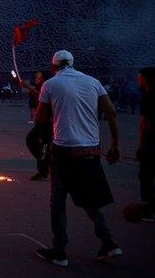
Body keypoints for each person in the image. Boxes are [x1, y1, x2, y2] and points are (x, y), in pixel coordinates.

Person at [35, 50, 121, 267]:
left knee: (58, 202)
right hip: (90, 151)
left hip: (64, 152)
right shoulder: (93, 82)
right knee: (89, 200)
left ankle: (60, 251)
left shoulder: (51, 84)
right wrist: (115, 145)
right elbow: (111, 112)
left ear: (54, 66)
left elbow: (40, 118)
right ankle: (109, 243)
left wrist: (42, 138)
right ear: (73, 64)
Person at [23, 72, 52, 181]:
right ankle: (45, 162)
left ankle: (44, 168)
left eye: (39, 77)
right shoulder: (40, 88)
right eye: (36, 77)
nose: (37, 79)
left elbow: (41, 97)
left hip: (48, 122)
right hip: (40, 121)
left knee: (44, 145)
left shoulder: (48, 88)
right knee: (32, 141)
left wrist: (28, 87)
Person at [137, 66, 155, 221]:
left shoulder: (148, 98)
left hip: (151, 145)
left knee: (147, 176)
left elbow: (145, 124)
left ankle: (148, 210)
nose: (138, 80)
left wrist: (141, 146)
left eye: (140, 77)